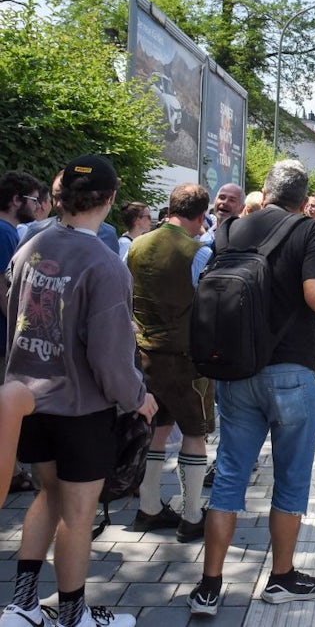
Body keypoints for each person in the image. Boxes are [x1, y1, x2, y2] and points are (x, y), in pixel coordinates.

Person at [187, 160, 315, 616]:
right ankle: (281, 578)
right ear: (304, 201)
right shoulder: (308, 230)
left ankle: (209, 586)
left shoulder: (231, 229)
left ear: (264, 190)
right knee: (291, 482)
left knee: (230, 480)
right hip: (291, 375)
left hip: (236, 371)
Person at [2, 154, 157, 627]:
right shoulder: (106, 266)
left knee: (47, 497)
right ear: (110, 200)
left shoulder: (29, 247)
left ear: (59, 197)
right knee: (77, 513)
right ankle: (72, 616)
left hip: (28, 400)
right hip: (79, 408)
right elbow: (110, 356)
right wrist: (138, 399)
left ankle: (23, 605)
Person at [126, 184, 214, 543]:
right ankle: (192, 515)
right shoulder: (198, 252)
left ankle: (148, 507)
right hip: (182, 357)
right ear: (199, 215)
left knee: (157, 428)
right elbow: (205, 306)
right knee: (195, 432)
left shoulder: (136, 244)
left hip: (144, 353)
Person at [19, 171, 119, 254]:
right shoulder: (37, 231)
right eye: (55, 198)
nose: (58, 204)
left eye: (64, 197)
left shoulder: (108, 235)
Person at [0, 171, 44, 363]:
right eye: (34, 200)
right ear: (17, 199)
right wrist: (17, 328)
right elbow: (3, 286)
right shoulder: (4, 232)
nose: (38, 206)